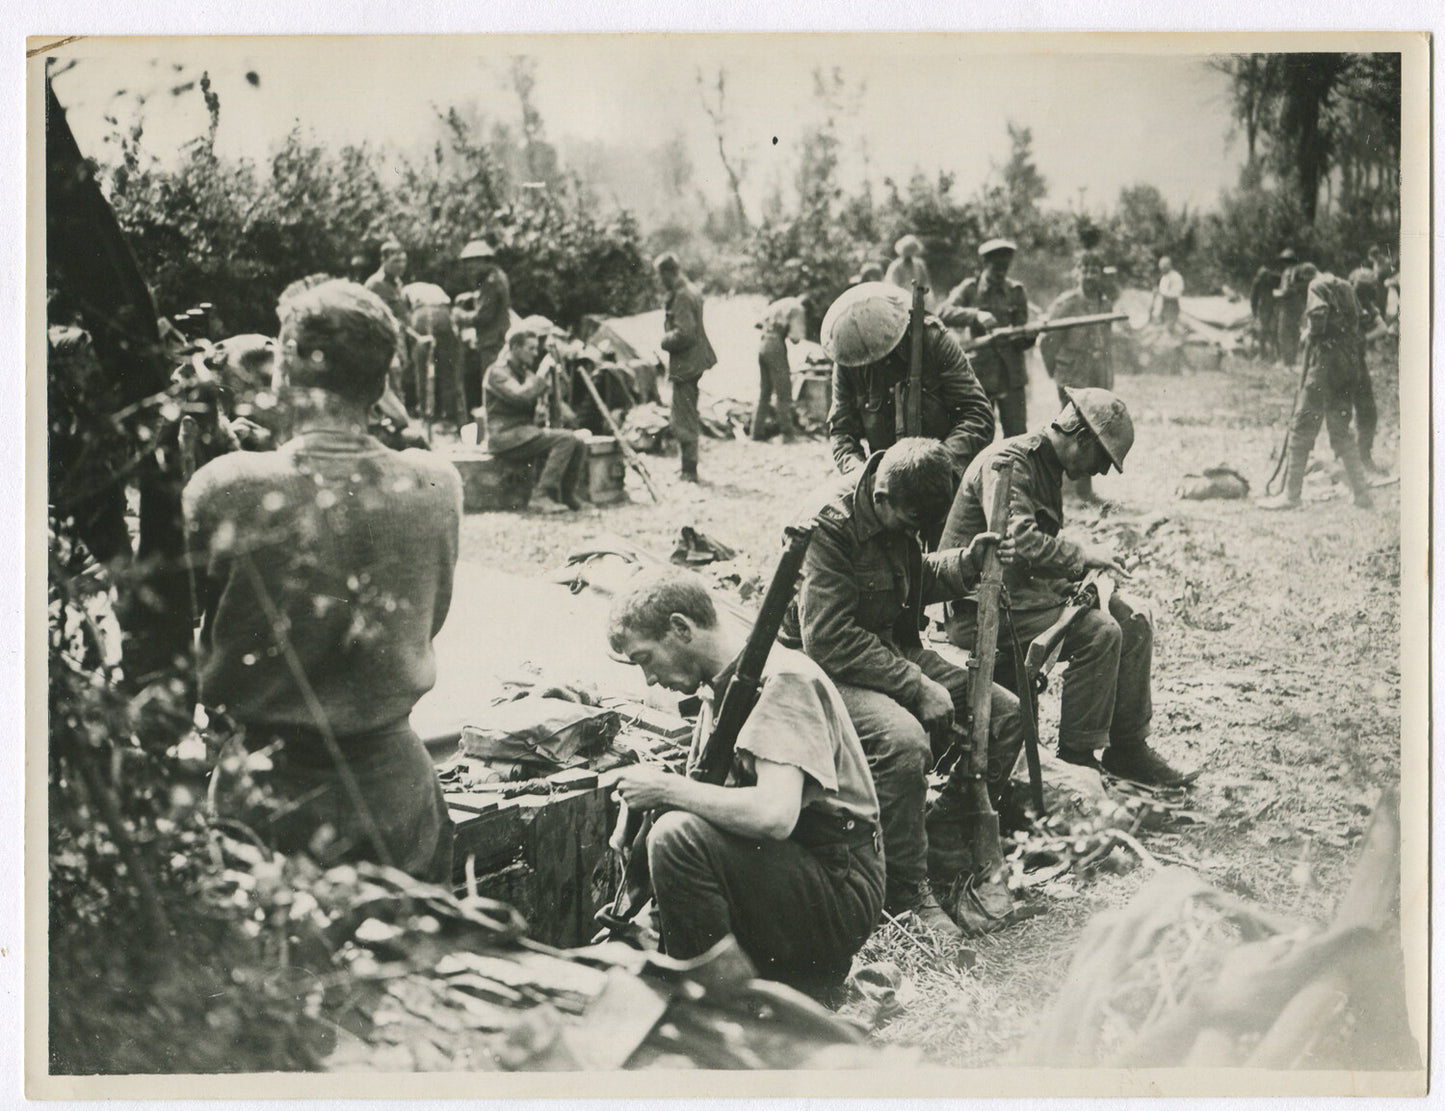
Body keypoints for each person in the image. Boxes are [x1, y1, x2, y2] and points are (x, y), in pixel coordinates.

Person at [184, 279, 461, 881]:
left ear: (284, 375)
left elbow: (185, 634)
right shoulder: (438, 483)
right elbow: (427, 618)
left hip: (269, 798)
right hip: (395, 789)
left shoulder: (225, 484)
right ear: (382, 385)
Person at [779, 438, 1024, 942]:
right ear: (883, 496)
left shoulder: (898, 507)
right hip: (818, 670)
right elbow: (827, 638)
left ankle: (944, 842)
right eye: (911, 522)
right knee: (903, 741)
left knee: (1005, 714)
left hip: (885, 650)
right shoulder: (828, 524)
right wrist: (915, 687)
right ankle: (903, 892)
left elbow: (907, 580)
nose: (915, 532)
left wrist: (966, 563)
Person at [609, 571, 885, 1000]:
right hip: (799, 873)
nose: (648, 679)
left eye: (645, 658)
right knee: (672, 828)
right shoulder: (721, 691)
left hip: (838, 889)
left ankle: (710, 1009)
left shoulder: (784, 680)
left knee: (676, 836)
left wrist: (666, 791)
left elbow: (774, 816)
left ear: (681, 628)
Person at [941, 388, 1193, 788]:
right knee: (1100, 632)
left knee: (1132, 618)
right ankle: (1077, 756)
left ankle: (1128, 749)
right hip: (979, 609)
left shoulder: (1045, 465)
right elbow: (1019, 539)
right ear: (1082, 438)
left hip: (1019, 598)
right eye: (1102, 459)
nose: (1101, 472)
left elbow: (1033, 556)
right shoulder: (1010, 462)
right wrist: (1083, 555)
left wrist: (1084, 577)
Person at [823, 281, 995, 480]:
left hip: (944, 473)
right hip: (883, 479)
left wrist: (939, 462)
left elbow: (978, 415)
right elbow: (842, 432)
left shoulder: (933, 341)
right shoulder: (849, 357)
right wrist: (863, 474)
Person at [1259, 265, 1375, 511]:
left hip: (1326, 366)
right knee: (1341, 431)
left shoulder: (1316, 285)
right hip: (1349, 364)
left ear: (1304, 280)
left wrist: (1310, 334)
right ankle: (1362, 494)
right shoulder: (1345, 286)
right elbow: (1362, 320)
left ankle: (1291, 496)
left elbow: (1318, 314)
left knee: (1302, 427)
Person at [483, 322, 587, 513]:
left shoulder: (525, 373)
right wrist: (542, 375)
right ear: (515, 348)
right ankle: (540, 496)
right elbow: (521, 396)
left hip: (523, 435)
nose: (535, 353)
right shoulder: (497, 372)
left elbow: (545, 398)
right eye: (530, 348)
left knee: (577, 442)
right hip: (505, 437)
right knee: (566, 439)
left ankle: (567, 495)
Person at [1039, 251, 1117, 503]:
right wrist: (1057, 373)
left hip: (1096, 374)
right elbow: (1047, 342)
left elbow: (1107, 343)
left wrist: (1107, 376)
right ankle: (1060, 488)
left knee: (1092, 431)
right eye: (1085, 270)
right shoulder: (1066, 304)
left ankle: (1083, 490)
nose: (1089, 276)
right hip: (1072, 374)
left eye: (1095, 271)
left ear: (1101, 274)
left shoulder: (1105, 304)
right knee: (1069, 430)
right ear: (1077, 273)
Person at [938, 237, 1034, 437]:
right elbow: (943, 312)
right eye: (996, 268)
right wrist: (976, 315)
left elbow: (1021, 336)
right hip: (980, 374)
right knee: (978, 434)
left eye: (1005, 268)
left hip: (1011, 375)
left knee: (1018, 436)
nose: (1001, 273)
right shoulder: (969, 289)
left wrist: (1029, 336)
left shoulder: (1016, 291)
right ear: (985, 263)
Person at [654, 252, 718, 483]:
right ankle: (687, 466)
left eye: (660, 275)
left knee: (683, 417)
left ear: (667, 273)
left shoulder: (681, 296)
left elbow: (685, 333)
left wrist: (664, 341)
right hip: (693, 361)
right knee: (687, 413)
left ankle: (689, 470)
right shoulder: (691, 290)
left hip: (686, 364)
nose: (659, 280)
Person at [454, 239, 512, 418]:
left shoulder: (490, 282)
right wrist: (472, 296)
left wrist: (460, 316)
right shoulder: (495, 277)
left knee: (491, 384)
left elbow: (483, 316)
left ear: (484, 260)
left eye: (473, 263)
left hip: (492, 341)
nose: (470, 268)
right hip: (496, 338)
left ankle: (492, 422)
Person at [752, 297, 805, 442]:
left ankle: (756, 432)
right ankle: (787, 433)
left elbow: (757, 324)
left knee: (765, 391)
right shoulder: (797, 308)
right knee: (784, 391)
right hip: (775, 345)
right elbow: (795, 338)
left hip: (763, 343)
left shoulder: (781, 304)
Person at [1273, 250, 1311, 368]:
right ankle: (1292, 360)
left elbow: (1286, 291)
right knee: (1294, 332)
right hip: (1298, 305)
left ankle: (1287, 362)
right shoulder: (1299, 272)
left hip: (1287, 305)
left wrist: (1276, 294)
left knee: (1284, 333)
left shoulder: (1288, 272)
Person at [1249, 255, 1284, 361]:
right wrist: (1254, 311)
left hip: (1270, 306)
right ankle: (1266, 354)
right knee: (1266, 331)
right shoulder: (1264, 279)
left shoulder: (1272, 278)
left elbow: (1253, 298)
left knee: (1270, 331)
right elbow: (1253, 297)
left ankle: (1270, 354)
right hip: (1266, 306)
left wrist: (1254, 311)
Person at [1152, 256, 1184, 330]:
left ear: (1169, 265)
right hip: (1162, 306)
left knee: (1169, 329)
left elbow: (1177, 294)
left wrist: (1161, 293)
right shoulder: (1164, 277)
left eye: (1164, 266)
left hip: (1171, 306)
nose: (1162, 268)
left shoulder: (1176, 277)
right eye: (1161, 266)